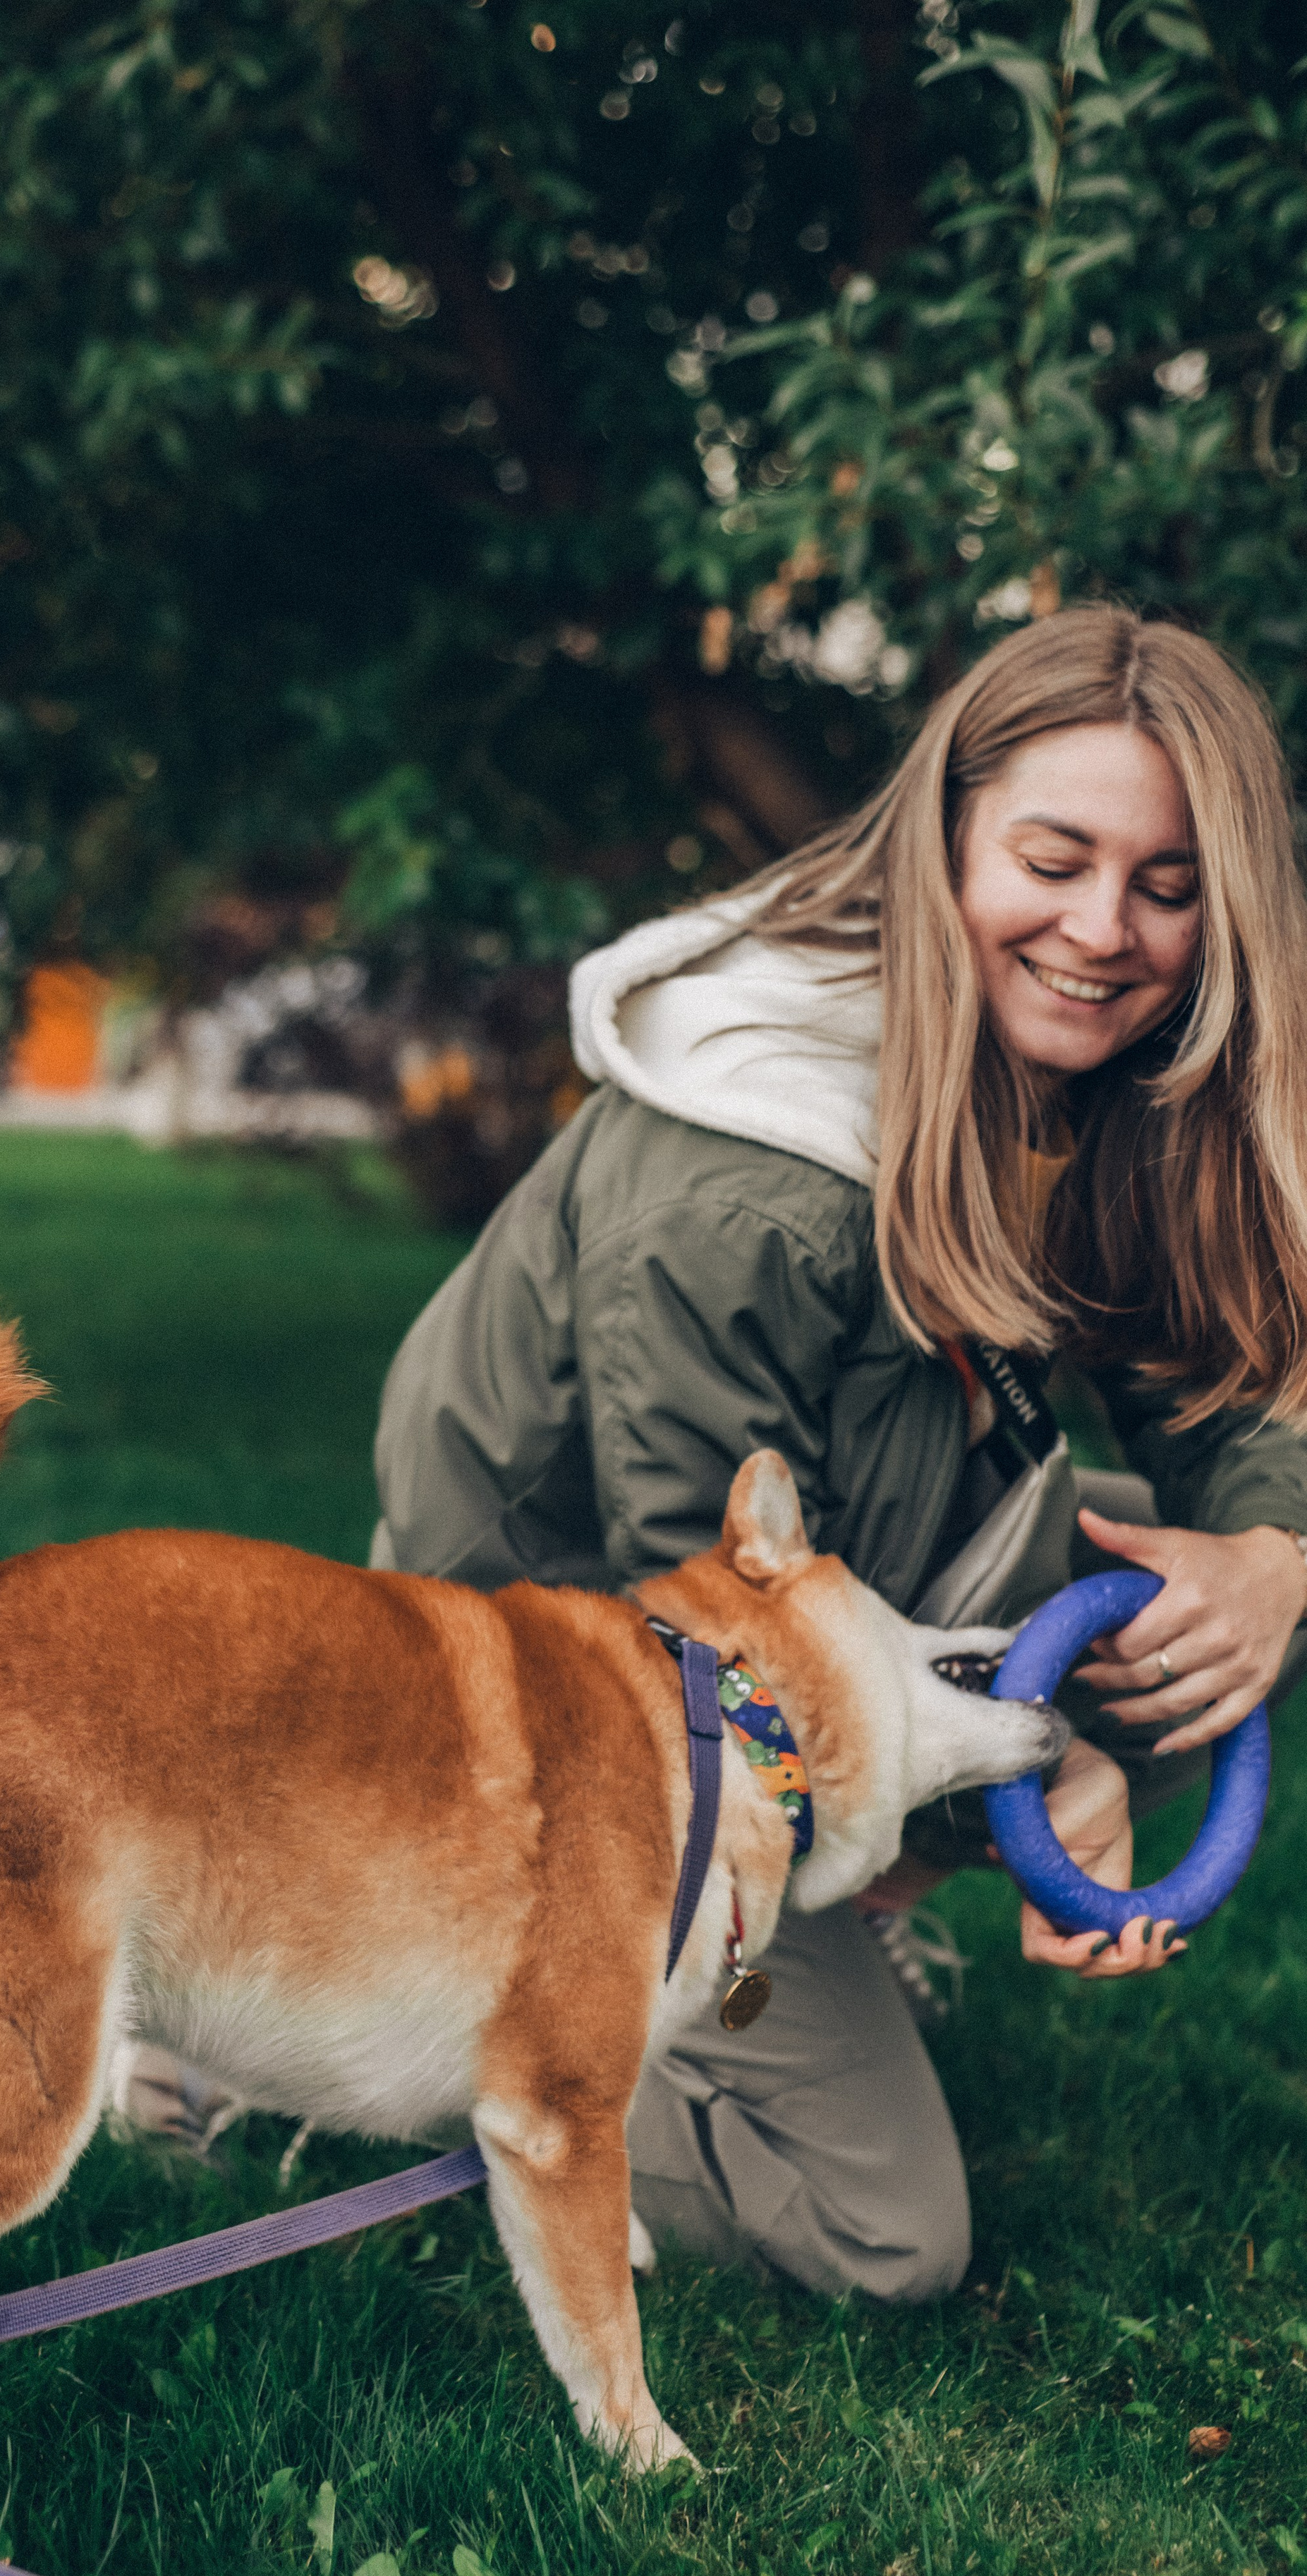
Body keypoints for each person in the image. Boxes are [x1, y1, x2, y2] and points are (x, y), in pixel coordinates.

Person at [368, 607, 1307, 2300]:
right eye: (1053, 858)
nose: (1104, 930)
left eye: (1165, 884)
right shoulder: (747, 1185)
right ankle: (398, 2056)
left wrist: (1271, 1563)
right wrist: (1027, 1774)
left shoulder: (1094, 1079)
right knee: (887, 2241)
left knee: (1206, 1610)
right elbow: (703, 1669)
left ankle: (825, 1923)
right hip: (551, 1727)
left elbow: (1234, 1391)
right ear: (946, 833)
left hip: (828, 1598)